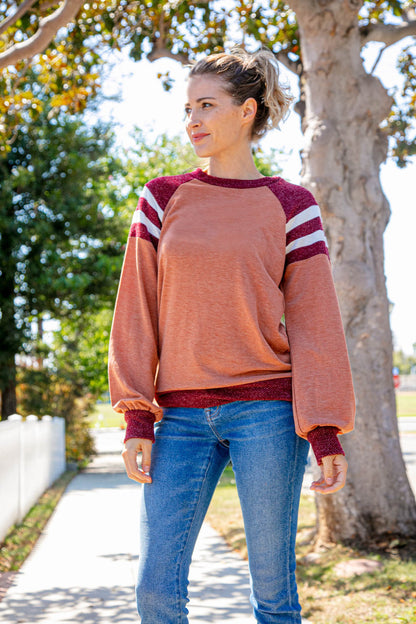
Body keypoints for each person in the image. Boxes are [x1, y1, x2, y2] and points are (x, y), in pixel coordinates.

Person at [108, 47, 355, 624]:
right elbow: (135, 309)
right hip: (180, 419)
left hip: (267, 413)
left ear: (247, 111)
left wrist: (324, 431)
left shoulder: (292, 206)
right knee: (155, 591)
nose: (191, 120)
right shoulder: (162, 198)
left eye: (206, 106)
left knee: (274, 597)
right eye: (187, 107)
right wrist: (137, 416)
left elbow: (317, 323)